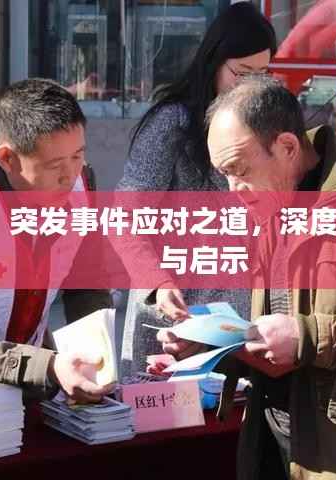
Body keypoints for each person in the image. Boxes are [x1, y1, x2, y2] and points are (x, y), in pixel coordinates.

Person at [158, 76, 336, 479]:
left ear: (288, 147)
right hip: (275, 441)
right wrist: (211, 344)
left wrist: (306, 336)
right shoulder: (272, 196)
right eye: (224, 174)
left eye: (239, 170)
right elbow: (279, 340)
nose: (233, 189)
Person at [114, 2, 277, 375]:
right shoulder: (172, 123)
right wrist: (156, 281)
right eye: (242, 73)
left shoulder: (264, 128)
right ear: (214, 62)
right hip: (174, 315)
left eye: (263, 74)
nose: (251, 86)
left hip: (236, 324)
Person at [0, 79, 114, 403]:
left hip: (36, 383)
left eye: (78, 156)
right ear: (7, 158)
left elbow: (86, 286)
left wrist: (97, 363)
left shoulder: (83, 182)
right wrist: (48, 367)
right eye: (55, 165)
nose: (69, 176)